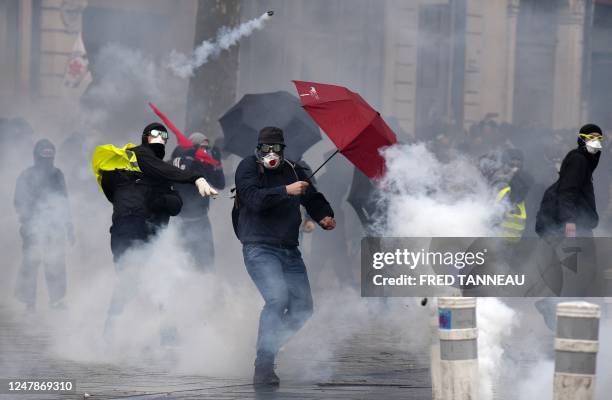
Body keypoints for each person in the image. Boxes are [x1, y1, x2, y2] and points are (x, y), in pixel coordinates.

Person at [95, 122, 217, 338]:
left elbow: (175, 204)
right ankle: (111, 332)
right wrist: (193, 177)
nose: (160, 138)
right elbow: (120, 190)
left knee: (159, 279)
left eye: (164, 135)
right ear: (144, 137)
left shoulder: (158, 177)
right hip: (127, 234)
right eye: (154, 135)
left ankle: (162, 334)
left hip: (152, 236)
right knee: (131, 281)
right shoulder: (136, 157)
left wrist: (160, 200)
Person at [234, 127, 335, 386]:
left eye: (275, 148)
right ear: (258, 149)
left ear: (283, 149)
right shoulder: (248, 167)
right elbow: (252, 198)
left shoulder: (294, 169)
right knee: (277, 299)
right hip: (258, 247)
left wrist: (323, 215)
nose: (271, 154)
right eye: (266, 148)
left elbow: (312, 197)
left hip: (290, 249)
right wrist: (285, 191)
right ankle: (264, 365)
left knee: (303, 307)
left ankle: (267, 347)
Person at [14, 139, 74, 311]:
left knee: (55, 262)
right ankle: (29, 303)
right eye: (44, 156)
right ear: (36, 156)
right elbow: (18, 201)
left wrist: (69, 227)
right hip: (32, 228)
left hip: (54, 228)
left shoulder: (57, 175)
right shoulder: (26, 175)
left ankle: (56, 301)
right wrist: (28, 221)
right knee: (30, 263)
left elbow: (65, 201)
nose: (47, 161)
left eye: (50, 156)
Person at [171, 132, 225, 271]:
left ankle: (204, 288)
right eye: (201, 148)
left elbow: (220, 184)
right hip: (180, 222)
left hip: (201, 219)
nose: (204, 152)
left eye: (206, 149)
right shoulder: (179, 159)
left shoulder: (203, 164)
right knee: (180, 263)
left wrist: (217, 163)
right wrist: (189, 158)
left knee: (206, 261)